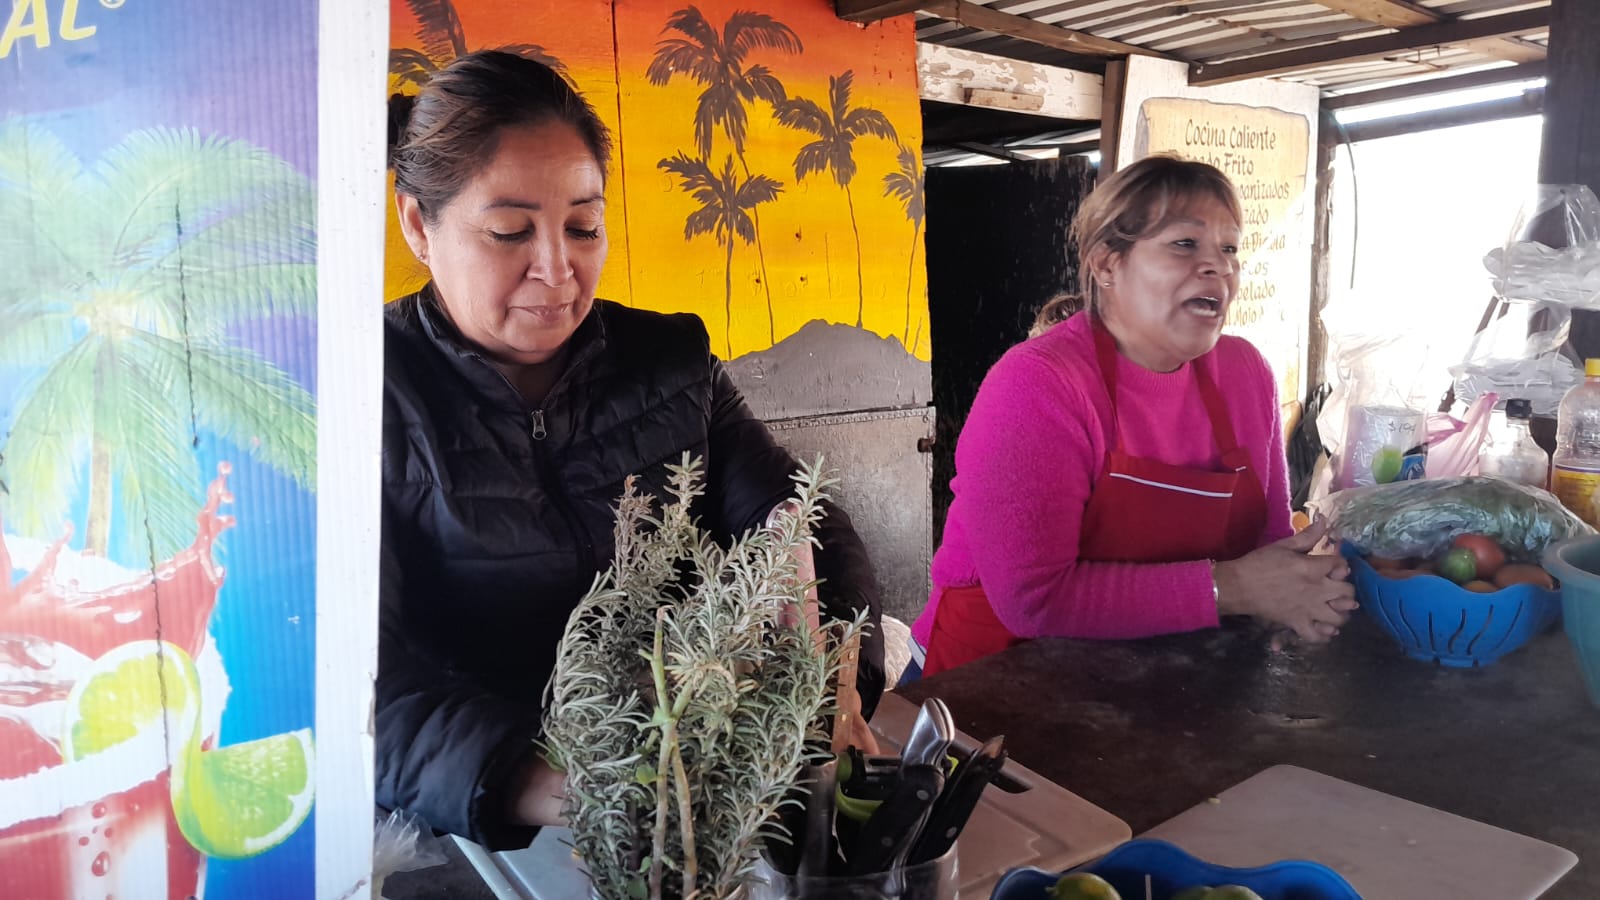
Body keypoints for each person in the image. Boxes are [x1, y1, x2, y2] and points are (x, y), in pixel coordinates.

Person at [378, 50, 885, 850]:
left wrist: (831, 679)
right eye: (510, 230)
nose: (558, 267)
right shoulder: (367, 394)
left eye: (584, 224)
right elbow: (359, 677)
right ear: (418, 223)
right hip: (474, 828)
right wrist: (547, 783)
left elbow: (796, 519)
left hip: (703, 787)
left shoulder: (668, 362)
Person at [910, 155, 1356, 679]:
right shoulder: (1040, 384)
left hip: (1156, 675)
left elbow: (1268, 539)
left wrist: (1302, 595)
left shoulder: (1245, 373)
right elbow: (1033, 600)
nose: (1219, 266)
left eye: (1229, 248)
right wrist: (1234, 588)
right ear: (1106, 265)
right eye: (1185, 244)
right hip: (989, 679)